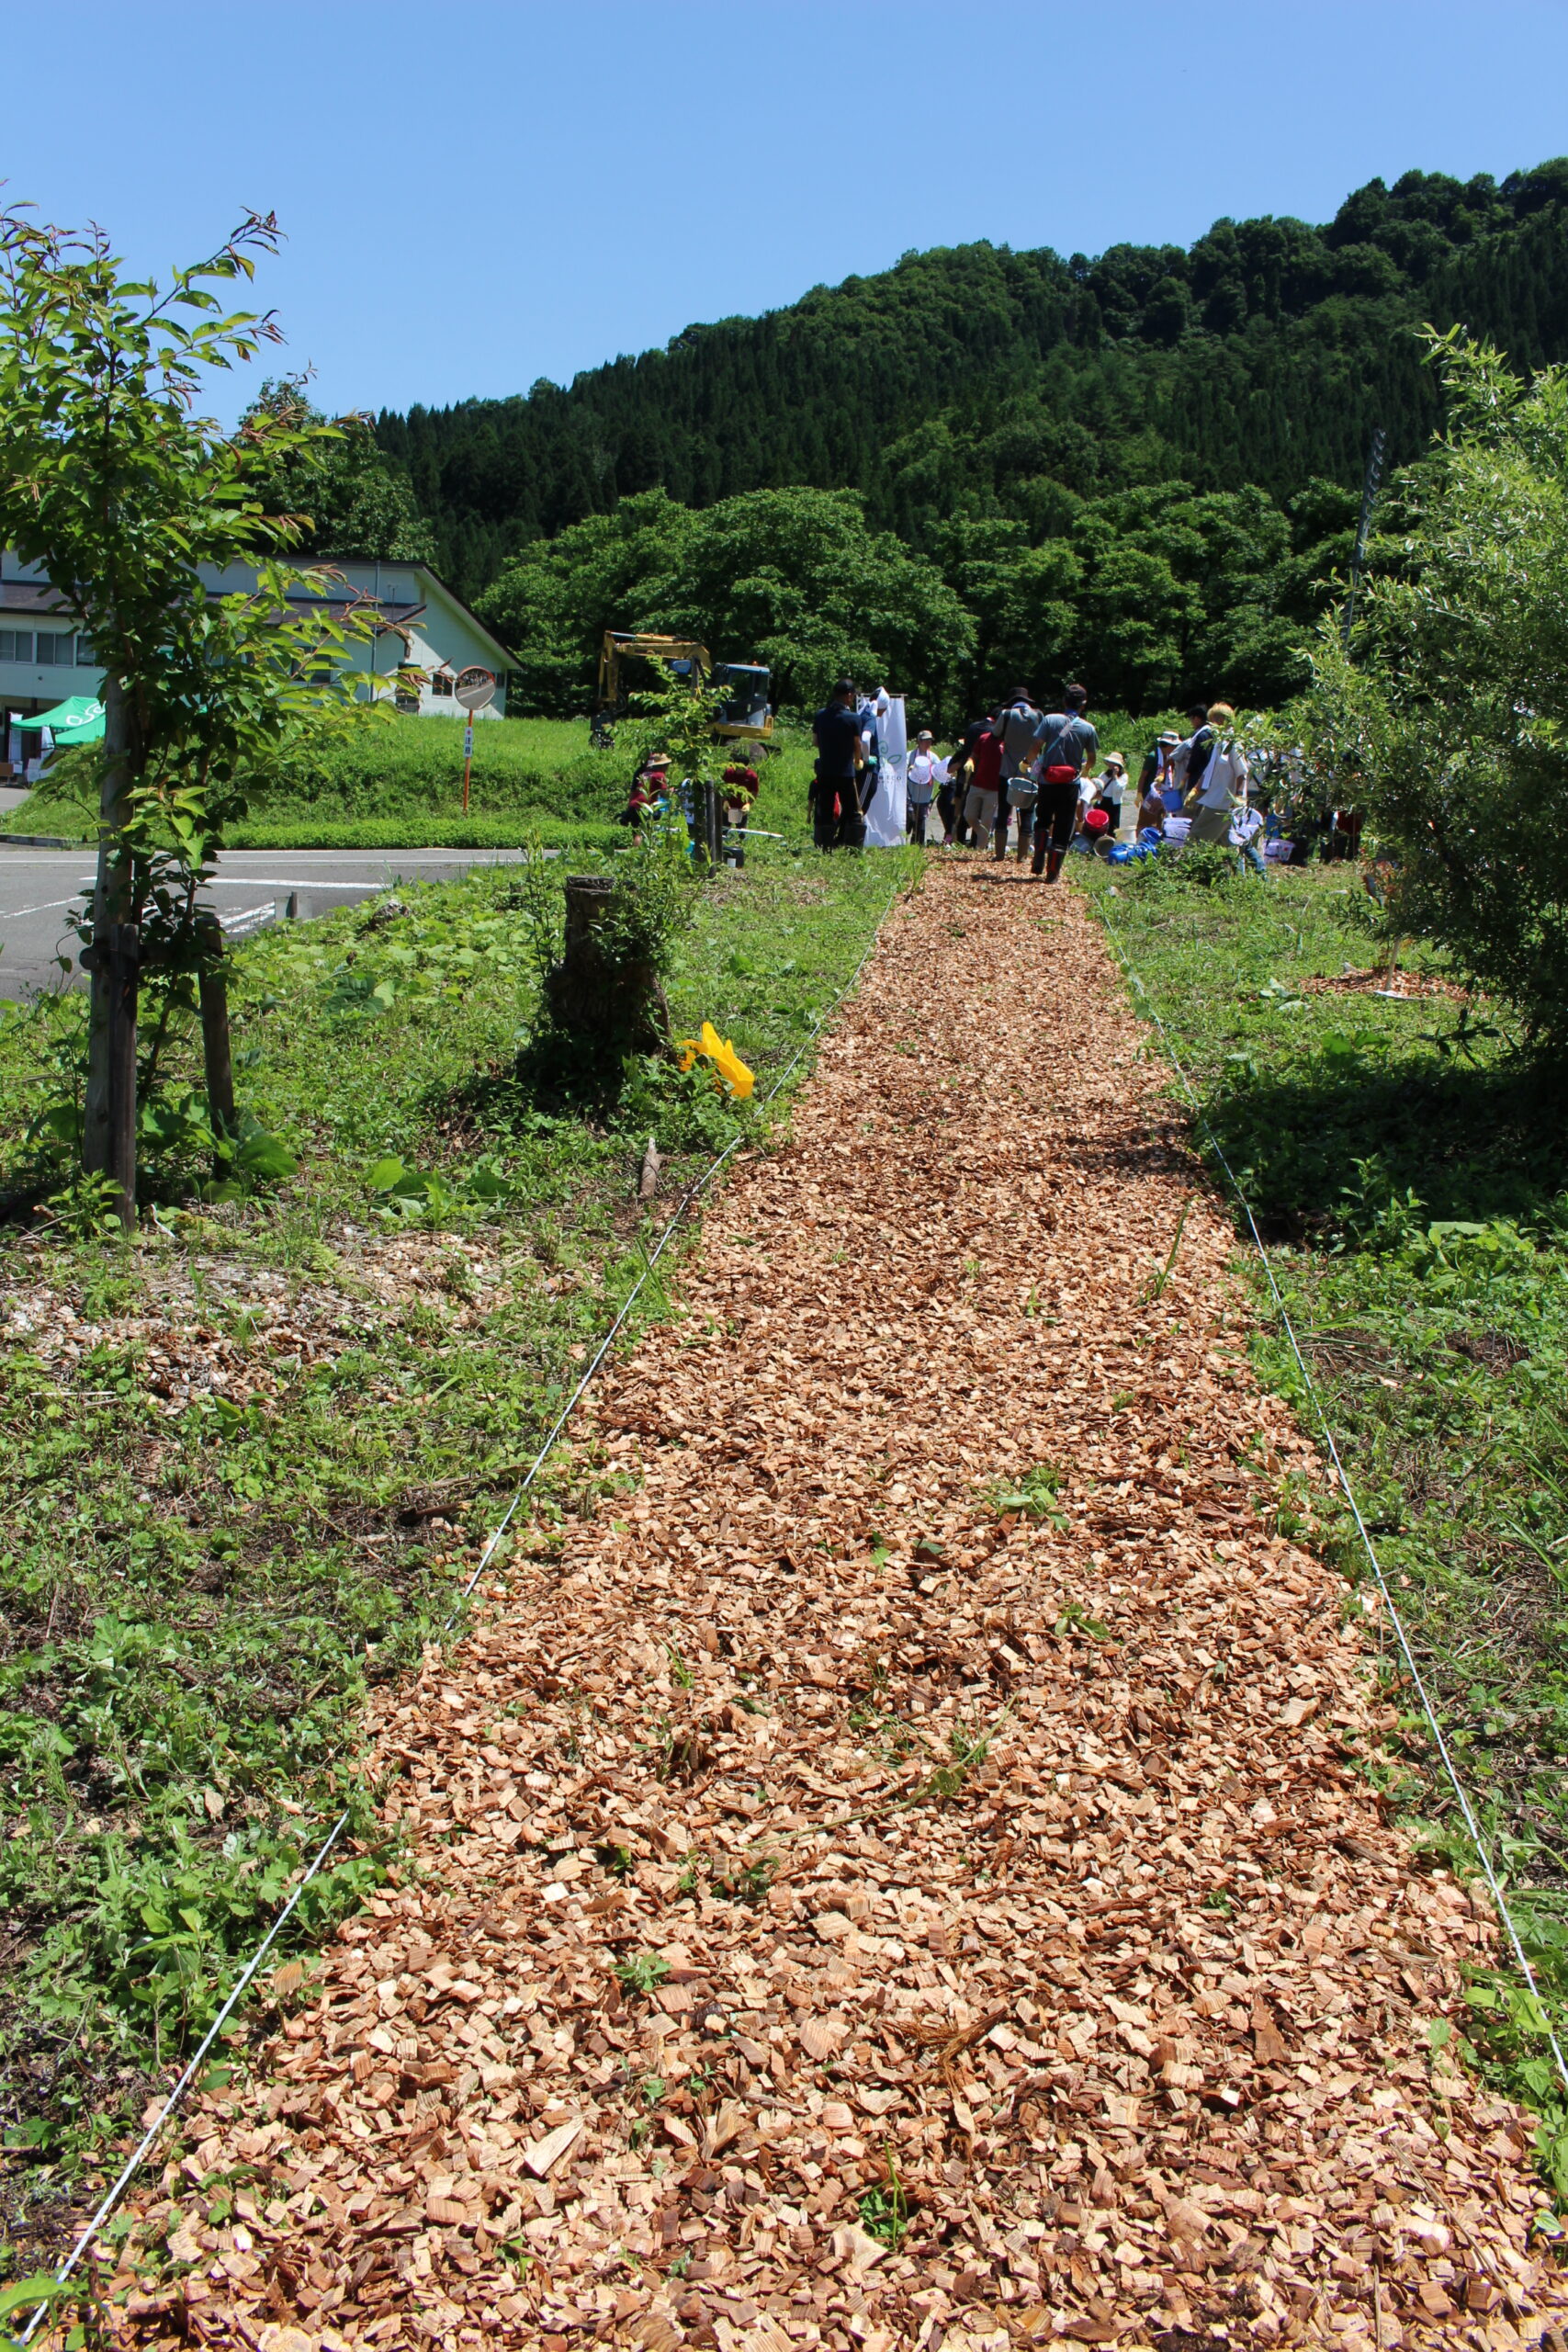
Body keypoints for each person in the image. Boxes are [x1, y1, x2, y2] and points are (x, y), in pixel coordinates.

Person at [1032, 685, 1099, 881]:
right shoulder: (1088, 728)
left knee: (1043, 820)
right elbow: (1092, 758)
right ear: (1083, 705)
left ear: (1064, 701)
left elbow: (1036, 745)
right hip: (1070, 783)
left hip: (1047, 780)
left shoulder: (1050, 719)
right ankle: (1052, 873)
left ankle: (1038, 858)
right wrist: (1085, 771)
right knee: (1063, 825)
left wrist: (1028, 762)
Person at [811, 679, 865, 852]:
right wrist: (857, 760)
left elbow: (815, 742)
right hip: (845, 772)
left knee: (825, 809)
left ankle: (824, 846)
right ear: (848, 695)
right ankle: (852, 848)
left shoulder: (821, 715)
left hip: (825, 770)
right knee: (852, 811)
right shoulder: (853, 718)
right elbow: (857, 744)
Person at [992, 685, 1043, 861]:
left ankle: (999, 855)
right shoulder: (1038, 715)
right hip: (1031, 772)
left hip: (1007, 770)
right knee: (1027, 812)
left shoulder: (1006, 715)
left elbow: (995, 734)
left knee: (1004, 811)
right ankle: (1022, 856)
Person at [1188, 704, 1247, 845]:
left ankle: (1190, 865)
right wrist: (1196, 789)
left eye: (1212, 720)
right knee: (1225, 844)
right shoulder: (1219, 741)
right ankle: (1244, 867)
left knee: (1196, 838)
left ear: (1220, 720)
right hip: (1214, 797)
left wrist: (1238, 796)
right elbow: (1210, 769)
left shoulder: (1232, 742)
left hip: (1222, 803)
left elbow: (1242, 772)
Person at [963, 715, 1004, 849]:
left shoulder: (1006, 742)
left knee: (987, 820)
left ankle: (980, 849)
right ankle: (984, 836)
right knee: (968, 815)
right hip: (978, 783)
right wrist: (970, 761)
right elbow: (974, 755)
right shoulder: (983, 738)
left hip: (994, 788)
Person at [1171, 704, 1215, 809]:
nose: (1191, 722)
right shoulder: (1213, 733)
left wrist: (1183, 779)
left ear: (1197, 718)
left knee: (1189, 815)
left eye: (1192, 719)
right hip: (1209, 781)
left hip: (1196, 780)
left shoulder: (1200, 735)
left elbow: (1195, 760)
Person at [906, 729, 942, 846]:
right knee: (909, 820)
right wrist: (910, 769)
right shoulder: (910, 755)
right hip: (910, 793)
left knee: (921, 821)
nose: (928, 744)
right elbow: (903, 768)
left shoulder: (933, 757)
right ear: (919, 741)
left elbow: (939, 771)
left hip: (925, 795)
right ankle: (902, 844)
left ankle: (918, 846)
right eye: (925, 741)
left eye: (930, 741)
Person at [1097, 750, 1128, 836]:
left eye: (1112, 762)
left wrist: (1115, 776)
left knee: (1113, 827)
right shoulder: (1104, 774)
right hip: (1102, 800)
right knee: (1100, 824)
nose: (1110, 764)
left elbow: (1118, 789)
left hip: (1114, 803)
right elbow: (1098, 785)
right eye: (1109, 762)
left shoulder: (1123, 776)